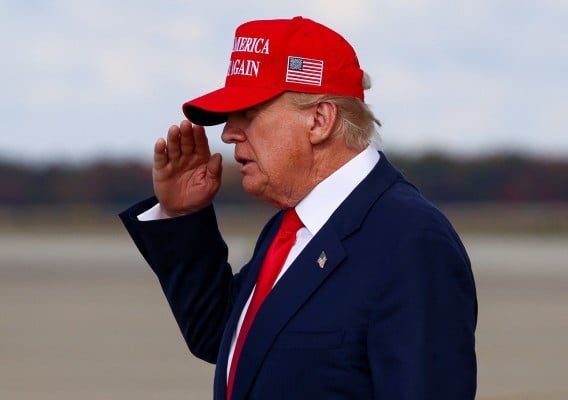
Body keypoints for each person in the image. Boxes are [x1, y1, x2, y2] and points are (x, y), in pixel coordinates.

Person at [120, 16, 477, 400]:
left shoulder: (410, 241)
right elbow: (233, 341)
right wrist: (183, 216)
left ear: (319, 120)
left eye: (250, 113)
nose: (227, 132)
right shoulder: (290, 228)